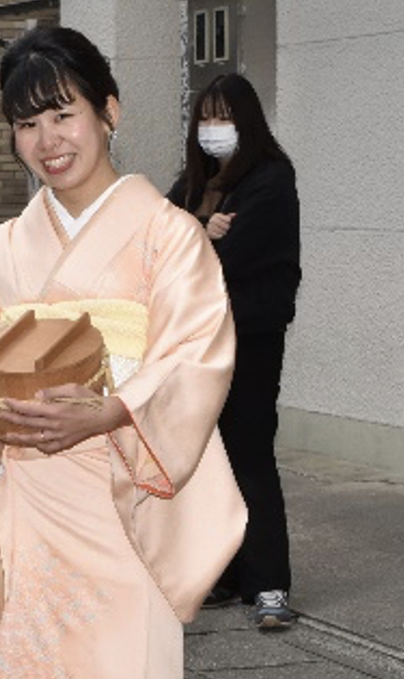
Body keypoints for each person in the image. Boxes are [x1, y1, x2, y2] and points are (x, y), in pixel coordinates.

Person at [0, 27, 246, 679]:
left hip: (121, 505)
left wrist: (114, 408)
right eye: (27, 124)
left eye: (63, 113)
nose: (48, 139)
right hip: (26, 512)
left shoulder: (169, 238)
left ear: (109, 109)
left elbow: (196, 355)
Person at [167, 73, 301, 628]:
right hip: (196, 340)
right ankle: (225, 572)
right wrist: (201, 227)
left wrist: (203, 241)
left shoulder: (270, 178)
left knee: (248, 452)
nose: (212, 129)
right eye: (205, 116)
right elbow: (160, 240)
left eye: (223, 117)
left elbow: (228, 262)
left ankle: (269, 584)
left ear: (246, 121)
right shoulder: (195, 183)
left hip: (249, 338)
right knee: (205, 458)